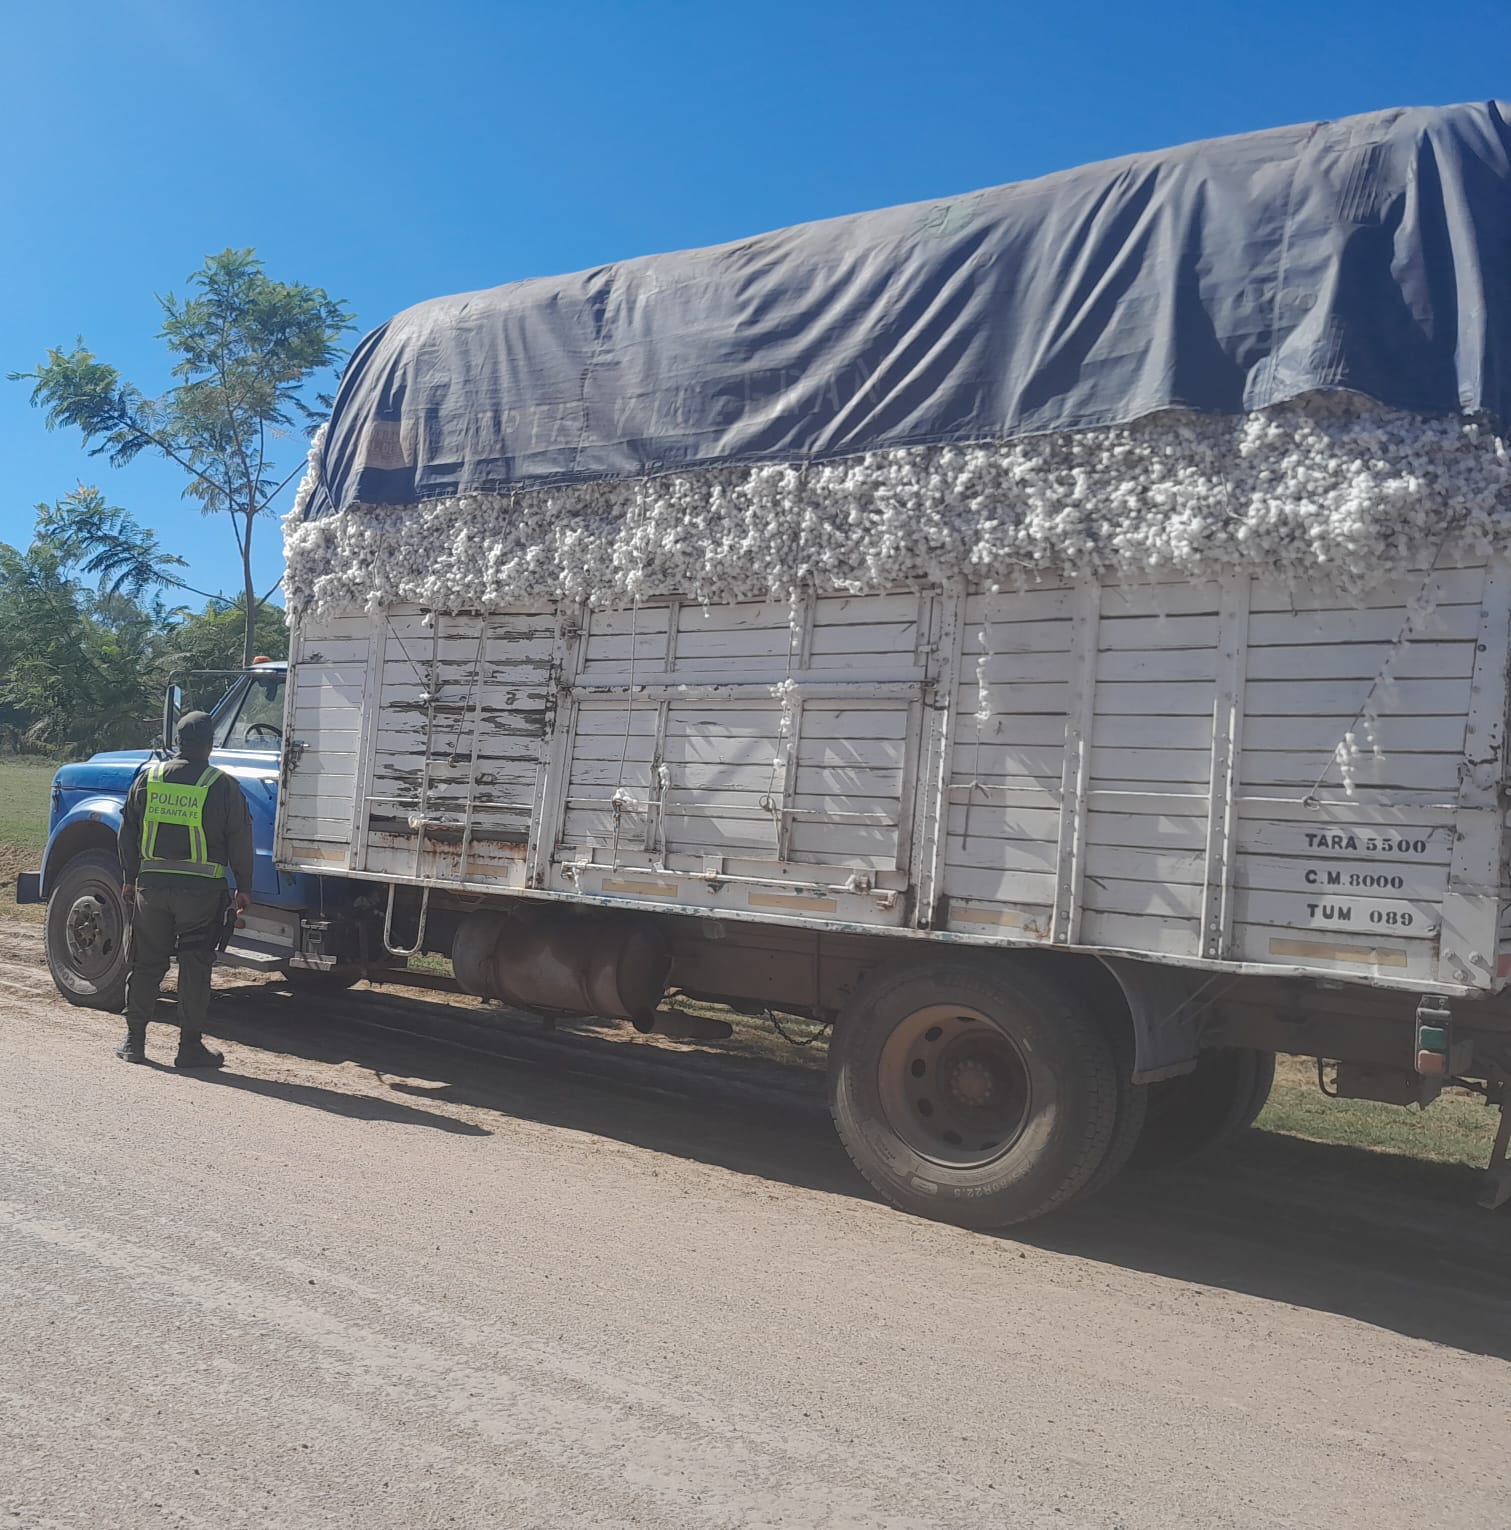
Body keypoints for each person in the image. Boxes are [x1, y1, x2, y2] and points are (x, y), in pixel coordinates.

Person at [117, 710, 254, 1067]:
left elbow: (128, 832)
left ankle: (134, 1042)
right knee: (195, 966)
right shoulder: (222, 785)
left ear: (178, 742)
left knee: (147, 962)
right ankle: (189, 1047)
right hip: (201, 893)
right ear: (210, 744)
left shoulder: (149, 778)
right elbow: (239, 838)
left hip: (152, 889)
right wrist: (244, 885)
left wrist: (130, 878)